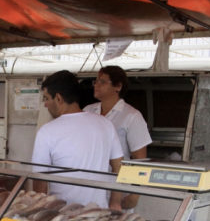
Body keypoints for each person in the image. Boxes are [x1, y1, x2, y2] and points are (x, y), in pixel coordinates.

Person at [31, 70, 123, 209]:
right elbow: (119, 168)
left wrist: (38, 213)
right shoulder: (105, 124)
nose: (45, 104)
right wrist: (115, 204)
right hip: (99, 214)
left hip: (62, 216)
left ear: (59, 98)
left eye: (46, 98)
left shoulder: (47, 131)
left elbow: (40, 182)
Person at [84, 65, 152, 208]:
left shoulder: (131, 116)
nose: (96, 85)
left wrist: (134, 195)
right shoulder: (88, 111)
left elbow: (141, 162)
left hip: (118, 191)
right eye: (95, 81)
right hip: (89, 186)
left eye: (102, 82)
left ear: (118, 86)